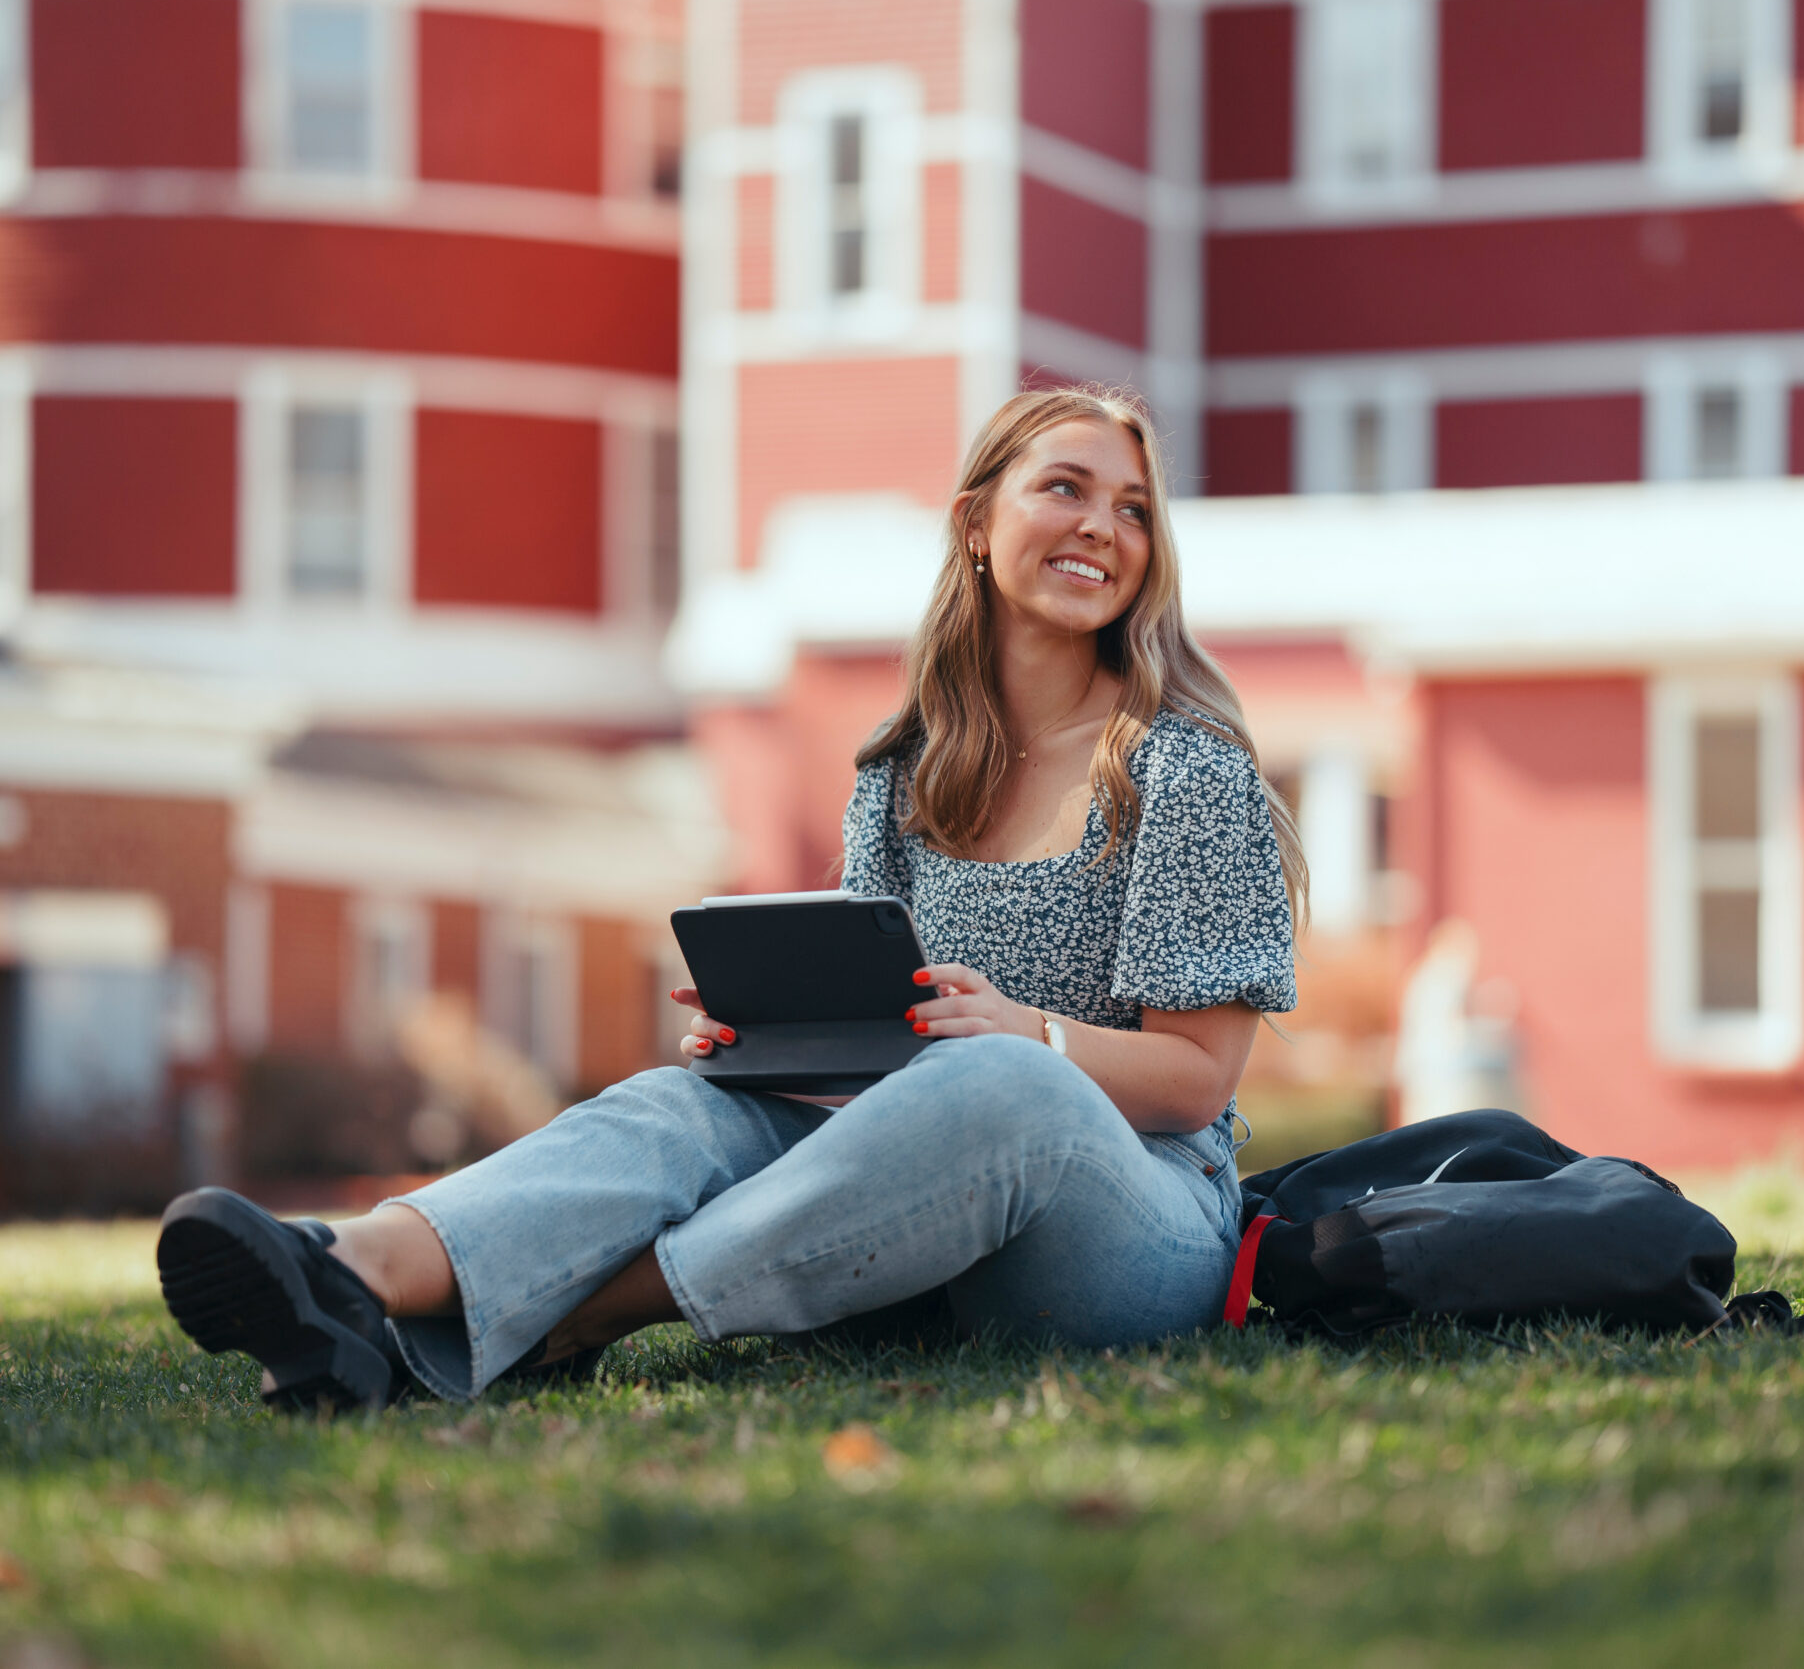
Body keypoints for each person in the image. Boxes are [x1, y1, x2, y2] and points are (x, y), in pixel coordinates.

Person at [155, 386, 1307, 1409]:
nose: (1104, 527)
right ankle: (347, 1273)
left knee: (999, 1080)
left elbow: (1196, 1080)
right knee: (683, 1102)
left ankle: (575, 1314)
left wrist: (1031, 1034)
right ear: (975, 522)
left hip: (1130, 1236)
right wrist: (781, 1039)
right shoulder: (900, 769)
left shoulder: (1182, 770)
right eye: (1066, 488)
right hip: (913, 1226)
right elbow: (883, 1045)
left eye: (1136, 508)